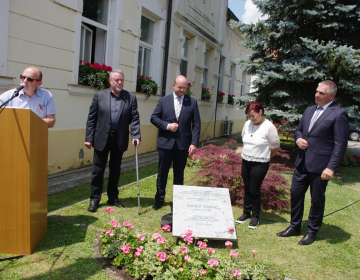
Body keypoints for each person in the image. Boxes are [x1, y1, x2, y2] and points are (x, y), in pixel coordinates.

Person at [277, 80, 348, 245]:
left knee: (316, 199)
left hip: (320, 165)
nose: (317, 95)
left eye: (321, 93)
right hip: (302, 162)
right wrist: (298, 139)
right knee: (295, 193)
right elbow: (299, 130)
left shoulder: (338, 114)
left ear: (332, 95)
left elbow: (340, 144)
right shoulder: (309, 110)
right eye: (317, 92)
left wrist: (331, 167)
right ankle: (294, 226)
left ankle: (311, 231)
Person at [85, 69, 141, 212]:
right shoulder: (99, 96)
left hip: (119, 138)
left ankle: (112, 197)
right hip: (101, 138)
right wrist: (88, 138)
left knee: (115, 170)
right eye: (116, 79)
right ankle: (94, 199)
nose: (120, 82)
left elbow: (134, 118)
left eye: (122, 79)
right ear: (110, 81)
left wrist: (135, 135)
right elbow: (92, 118)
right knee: (98, 170)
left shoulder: (130, 98)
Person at [150, 75, 201, 210]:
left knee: (179, 174)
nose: (182, 90)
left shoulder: (192, 102)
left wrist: (194, 143)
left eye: (184, 88)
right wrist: (167, 126)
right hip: (165, 144)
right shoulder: (163, 101)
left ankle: (177, 201)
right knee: (162, 173)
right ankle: (159, 199)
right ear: (174, 86)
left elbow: (196, 124)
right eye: (179, 87)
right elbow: (154, 118)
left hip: (182, 145)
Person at [236, 101, 280, 228]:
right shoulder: (247, 124)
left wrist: (267, 156)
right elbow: (245, 138)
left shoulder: (269, 127)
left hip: (260, 163)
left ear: (261, 112)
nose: (251, 118)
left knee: (254, 190)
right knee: (247, 187)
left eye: (253, 115)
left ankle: (255, 216)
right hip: (246, 160)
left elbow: (275, 146)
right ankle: (246, 213)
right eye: (249, 116)